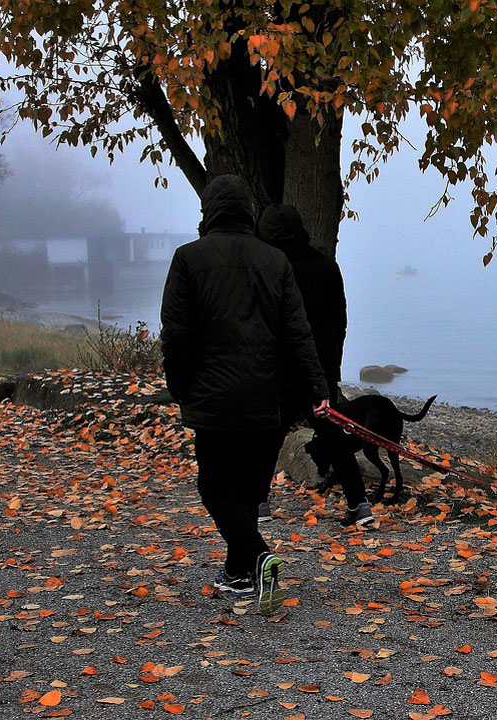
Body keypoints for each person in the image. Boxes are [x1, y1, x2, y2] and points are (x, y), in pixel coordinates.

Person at [160, 175, 329, 614]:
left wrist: (179, 387)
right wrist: (317, 389)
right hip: (264, 396)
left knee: (215, 486)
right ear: (248, 210)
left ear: (210, 210)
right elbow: (298, 333)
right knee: (249, 488)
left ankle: (257, 557)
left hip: (213, 397)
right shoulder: (274, 261)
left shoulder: (187, 259)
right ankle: (238, 574)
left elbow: (175, 334)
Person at [255, 203, 371, 527]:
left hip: (279, 366)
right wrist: (332, 366)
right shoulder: (325, 266)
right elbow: (339, 320)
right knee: (331, 433)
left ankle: (258, 503)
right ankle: (360, 505)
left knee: (270, 433)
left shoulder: (268, 267)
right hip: (320, 366)